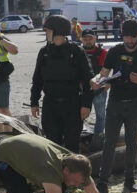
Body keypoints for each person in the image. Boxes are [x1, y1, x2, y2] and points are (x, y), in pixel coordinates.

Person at [90, 20, 137, 193]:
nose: (129, 40)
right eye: (126, 36)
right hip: (115, 102)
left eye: (133, 36)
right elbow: (104, 72)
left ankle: (129, 179)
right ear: (122, 34)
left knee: (132, 142)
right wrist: (97, 80)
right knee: (109, 142)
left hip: (135, 102)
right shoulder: (115, 51)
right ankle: (103, 180)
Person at [30, 15, 94, 153]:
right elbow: (37, 79)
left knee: (72, 145)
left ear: (57, 31)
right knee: (53, 145)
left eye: (48, 30)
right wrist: (34, 102)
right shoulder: (44, 52)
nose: (46, 33)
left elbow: (89, 80)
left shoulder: (76, 51)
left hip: (72, 105)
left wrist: (86, 105)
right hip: (50, 105)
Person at [81, 29, 108, 137]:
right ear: (81, 40)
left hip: (99, 89)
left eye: (90, 38)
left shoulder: (103, 53)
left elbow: (105, 71)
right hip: (81, 90)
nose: (88, 41)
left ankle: (98, 138)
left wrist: (107, 84)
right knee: (80, 115)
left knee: (101, 116)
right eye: (85, 39)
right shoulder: (78, 52)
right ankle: (81, 137)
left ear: (95, 39)